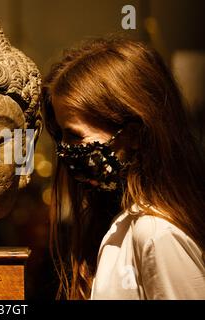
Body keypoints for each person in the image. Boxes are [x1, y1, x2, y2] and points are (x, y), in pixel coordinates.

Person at [43, 37, 205, 299]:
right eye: (61, 137)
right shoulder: (119, 223)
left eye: (75, 136)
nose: (65, 151)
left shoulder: (156, 235)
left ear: (133, 136)